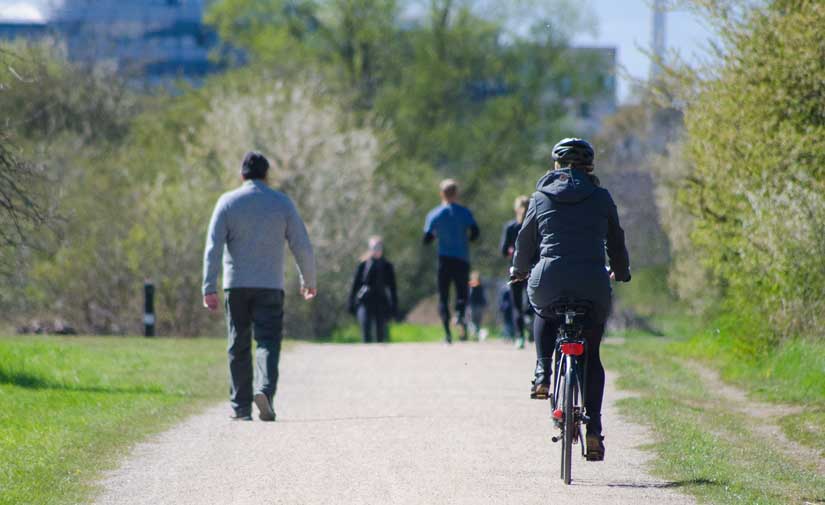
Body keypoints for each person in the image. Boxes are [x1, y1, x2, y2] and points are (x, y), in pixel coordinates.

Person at [511, 138, 631, 461]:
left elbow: (524, 243)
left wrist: (518, 271)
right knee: (592, 354)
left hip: (549, 280)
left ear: (556, 166)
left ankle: (542, 371)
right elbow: (616, 242)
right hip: (592, 284)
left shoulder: (539, 197)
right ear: (589, 167)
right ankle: (594, 430)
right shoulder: (602, 197)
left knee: (543, 309)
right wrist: (621, 271)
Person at [202, 151, 317, 422]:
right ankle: (264, 391)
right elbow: (301, 244)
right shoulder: (282, 203)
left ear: (242, 175)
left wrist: (209, 287)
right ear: (267, 176)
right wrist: (309, 280)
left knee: (238, 344)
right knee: (267, 341)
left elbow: (213, 247)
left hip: (236, 285)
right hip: (270, 285)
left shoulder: (227, 202)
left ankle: (241, 408)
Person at [423, 179, 480, 344]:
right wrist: (466, 239)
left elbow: (426, 239)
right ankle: (460, 314)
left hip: (444, 259)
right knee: (462, 292)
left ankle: (448, 334)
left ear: (441, 194)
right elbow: (475, 232)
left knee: (444, 296)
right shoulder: (464, 212)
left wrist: (436, 235)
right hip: (462, 258)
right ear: (456, 194)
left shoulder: (434, 214)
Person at [348, 236, 398, 343]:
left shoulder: (387, 265)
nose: (377, 249)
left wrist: (394, 306)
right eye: (374, 247)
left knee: (380, 333)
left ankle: (378, 356)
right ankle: (366, 355)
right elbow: (355, 285)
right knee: (365, 329)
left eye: (379, 247)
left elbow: (392, 287)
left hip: (381, 301)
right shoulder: (363, 265)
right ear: (370, 248)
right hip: (365, 301)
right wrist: (351, 302)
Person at [500, 195, 531, 349]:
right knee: (533, 300)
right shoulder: (535, 226)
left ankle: (520, 337)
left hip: (515, 270)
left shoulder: (510, 227)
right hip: (532, 269)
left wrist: (512, 252)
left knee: (517, 305)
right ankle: (530, 320)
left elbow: (503, 250)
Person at [468, 271, 487, 339]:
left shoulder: (480, 286)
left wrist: (484, 303)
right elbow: (468, 296)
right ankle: (474, 333)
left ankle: (477, 333)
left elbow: (482, 296)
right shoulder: (470, 285)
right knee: (472, 320)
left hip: (478, 305)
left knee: (478, 320)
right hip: (472, 305)